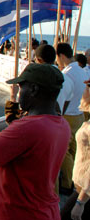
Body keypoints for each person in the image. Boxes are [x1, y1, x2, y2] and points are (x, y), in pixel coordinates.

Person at [0, 63, 70, 219]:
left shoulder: (28, 127)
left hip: (19, 212)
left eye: (21, 88)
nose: (19, 93)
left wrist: (12, 126)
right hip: (46, 210)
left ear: (33, 89)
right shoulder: (62, 124)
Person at [58, 42, 88, 194]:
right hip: (80, 115)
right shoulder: (82, 70)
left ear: (61, 56)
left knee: (64, 152)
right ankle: (78, 182)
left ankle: (67, 183)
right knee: (76, 151)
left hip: (68, 116)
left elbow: (62, 99)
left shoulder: (66, 75)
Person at [61, 89, 90, 220]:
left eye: (87, 89)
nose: (84, 92)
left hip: (85, 192)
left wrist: (80, 202)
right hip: (81, 189)